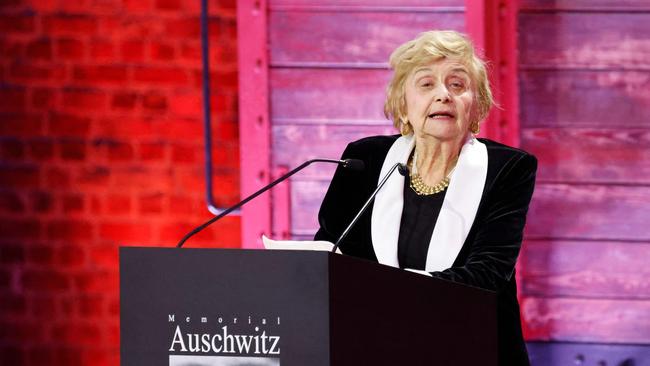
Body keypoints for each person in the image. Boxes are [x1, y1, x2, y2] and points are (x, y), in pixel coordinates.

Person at [314, 30, 536, 365]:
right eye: (426, 84)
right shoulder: (364, 160)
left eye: (457, 85)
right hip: (374, 349)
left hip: (474, 350)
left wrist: (387, 292)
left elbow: (488, 274)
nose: (443, 95)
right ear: (403, 105)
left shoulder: (508, 169)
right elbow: (330, 254)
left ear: (476, 107)